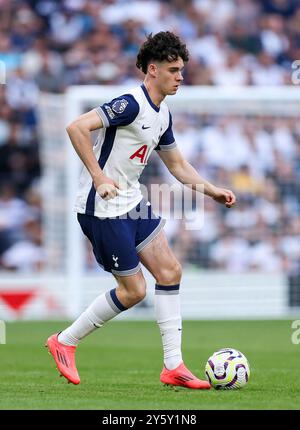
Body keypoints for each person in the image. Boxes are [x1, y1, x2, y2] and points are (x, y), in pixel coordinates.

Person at [46, 31, 236, 389]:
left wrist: (211, 191)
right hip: (101, 208)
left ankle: (174, 367)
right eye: (173, 69)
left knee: (169, 271)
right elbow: (76, 127)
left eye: (182, 69)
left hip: (131, 201)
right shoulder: (130, 103)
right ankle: (64, 341)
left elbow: (178, 166)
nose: (180, 76)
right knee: (134, 291)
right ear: (153, 69)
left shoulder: (162, 112)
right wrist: (99, 176)